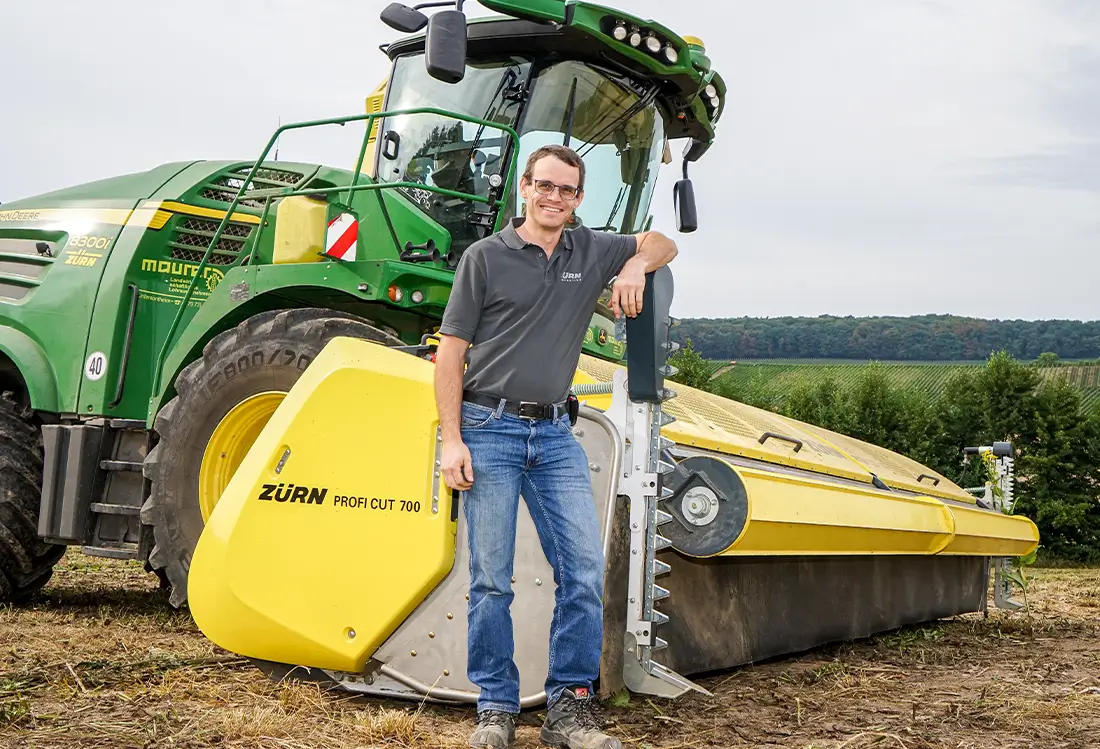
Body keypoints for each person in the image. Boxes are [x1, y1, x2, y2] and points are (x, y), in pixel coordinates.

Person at [434, 144, 679, 749]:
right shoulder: (484, 258)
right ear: (524, 186)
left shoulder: (589, 249)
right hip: (487, 427)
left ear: (578, 198)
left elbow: (662, 242)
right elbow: (451, 354)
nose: (554, 198)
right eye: (545, 186)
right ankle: (495, 706)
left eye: (567, 191)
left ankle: (570, 707)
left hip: (554, 434)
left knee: (584, 572)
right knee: (492, 576)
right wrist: (451, 440)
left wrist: (632, 269)